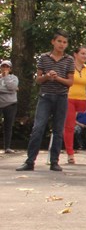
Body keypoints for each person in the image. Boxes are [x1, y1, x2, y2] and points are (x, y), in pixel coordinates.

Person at [17, 30, 75, 172]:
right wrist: (47, 76)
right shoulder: (44, 57)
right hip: (45, 96)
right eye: (59, 41)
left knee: (58, 130)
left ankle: (54, 161)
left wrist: (57, 78)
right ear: (53, 42)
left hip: (61, 97)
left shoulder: (69, 60)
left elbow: (70, 82)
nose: (62, 44)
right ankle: (30, 161)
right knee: (38, 128)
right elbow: (38, 79)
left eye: (64, 42)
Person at [61, 45, 86, 165]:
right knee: (69, 126)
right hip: (69, 98)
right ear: (75, 54)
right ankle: (70, 153)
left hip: (83, 100)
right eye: (82, 53)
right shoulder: (68, 67)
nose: (85, 56)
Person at [0, 59, 18, 153]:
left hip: (10, 104)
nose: (5, 68)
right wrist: (10, 89)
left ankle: (7, 147)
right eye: (3, 66)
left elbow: (12, 87)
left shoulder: (14, 78)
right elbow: (12, 89)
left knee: (8, 126)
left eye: (7, 67)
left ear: (10, 69)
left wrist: (6, 77)